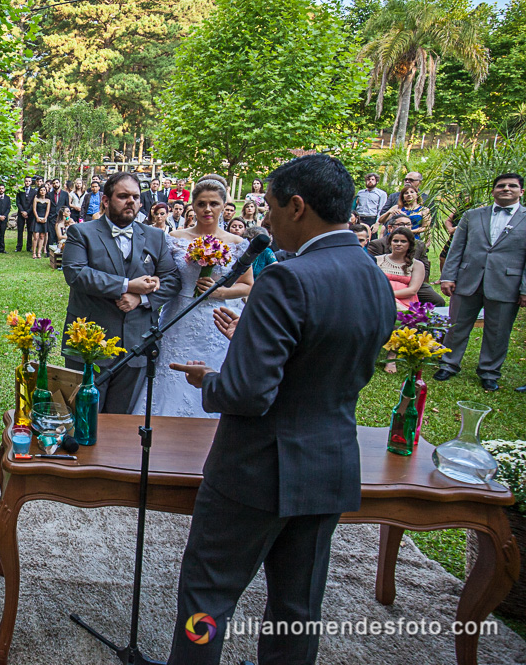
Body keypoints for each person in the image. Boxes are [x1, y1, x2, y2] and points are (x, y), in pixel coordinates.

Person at [166, 154, 394, 665]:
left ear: (297, 206)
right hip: (330, 463)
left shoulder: (286, 280)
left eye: (268, 207)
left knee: (208, 597)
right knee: (298, 607)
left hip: (255, 469)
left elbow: (248, 393)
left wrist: (210, 380)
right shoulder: (374, 276)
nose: (263, 220)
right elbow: (329, 362)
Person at [61, 172, 180, 412]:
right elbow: (76, 274)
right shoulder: (81, 232)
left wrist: (142, 298)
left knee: (121, 420)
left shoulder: (156, 237)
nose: (131, 202)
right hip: (90, 341)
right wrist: (127, 285)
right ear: (105, 200)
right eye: (123, 196)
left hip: (137, 342)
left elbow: (172, 279)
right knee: (81, 416)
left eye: (135, 197)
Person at [143, 178, 253, 418]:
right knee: (170, 374)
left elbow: (247, 286)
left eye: (214, 203)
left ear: (224, 206)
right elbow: (164, 276)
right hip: (179, 315)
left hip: (218, 320)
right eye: (201, 203)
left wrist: (220, 292)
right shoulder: (175, 237)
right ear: (193, 205)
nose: (207, 209)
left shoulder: (237, 243)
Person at [435, 173, 526, 392]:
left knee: (498, 331)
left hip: (507, 284)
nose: (506, 189)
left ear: (521, 192)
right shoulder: (472, 216)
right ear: (493, 191)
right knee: (456, 325)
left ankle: (489, 372)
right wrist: (448, 276)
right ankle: (448, 363)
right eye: (500, 186)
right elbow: (456, 248)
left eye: (512, 186)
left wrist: (524, 289)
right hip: (468, 280)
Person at [366, 213, 446, 307]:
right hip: (381, 290)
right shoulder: (377, 251)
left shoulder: (419, 248)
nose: (398, 244)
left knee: (437, 300)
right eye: (395, 241)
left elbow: (424, 271)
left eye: (408, 224)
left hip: (410, 285)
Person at [15, 177, 35, 252]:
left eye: (29, 181)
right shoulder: (20, 190)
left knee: (30, 231)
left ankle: (29, 247)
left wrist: (28, 212)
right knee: (20, 230)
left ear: (31, 182)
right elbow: (18, 202)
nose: (27, 182)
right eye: (26, 181)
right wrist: (22, 211)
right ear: (24, 182)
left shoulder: (34, 192)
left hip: (30, 214)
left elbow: (33, 203)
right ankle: (19, 247)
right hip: (21, 213)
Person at [31, 184, 51, 259]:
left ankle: (39, 252)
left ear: (46, 191)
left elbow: (47, 210)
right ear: (39, 191)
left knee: (42, 236)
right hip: (37, 218)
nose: (42, 192)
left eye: (44, 190)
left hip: (44, 219)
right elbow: (34, 209)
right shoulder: (36, 199)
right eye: (41, 190)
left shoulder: (48, 201)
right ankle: (34, 252)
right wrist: (37, 217)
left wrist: (45, 218)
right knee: (36, 236)